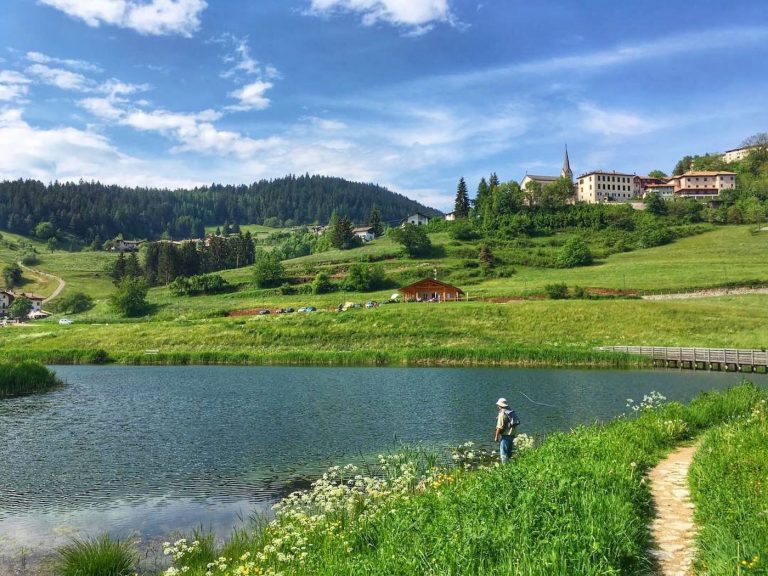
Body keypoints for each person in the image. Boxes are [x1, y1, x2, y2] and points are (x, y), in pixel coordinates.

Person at [494, 397, 517, 464]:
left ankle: (504, 468)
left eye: (498, 405)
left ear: (500, 405)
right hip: (512, 435)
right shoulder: (510, 411)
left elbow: (499, 427)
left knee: (503, 454)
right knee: (509, 453)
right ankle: (510, 466)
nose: (497, 406)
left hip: (505, 436)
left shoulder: (502, 414)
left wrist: (496, 437)